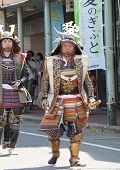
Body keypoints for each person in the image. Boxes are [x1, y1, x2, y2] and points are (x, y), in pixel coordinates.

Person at [40, 22, 99, 167]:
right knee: (52, 130)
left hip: (77, 99)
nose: (67, 48)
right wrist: (43, 97)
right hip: (57, 99)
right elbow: (45, 81)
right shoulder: (51, 61)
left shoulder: (81, 61)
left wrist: (91, 96)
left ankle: (75, 159)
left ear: (75, 47)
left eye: (70, 46)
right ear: (60, 47)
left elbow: (87, 81)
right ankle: (55, 155)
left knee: (76, 131)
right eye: (65, 46)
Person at [0, 25, 29, 154]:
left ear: (13, 43)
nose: (7, 43)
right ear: (0, 43)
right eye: (5, 40)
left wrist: (20, 82)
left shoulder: (20, 57)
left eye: (9, 41)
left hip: (16, 93)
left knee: (15, 122)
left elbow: (26, 74)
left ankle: (12, 147)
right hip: (0, 93)